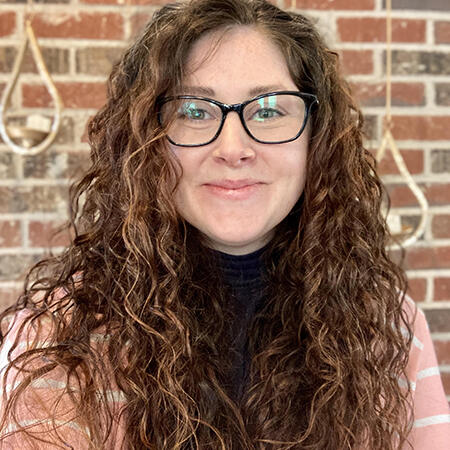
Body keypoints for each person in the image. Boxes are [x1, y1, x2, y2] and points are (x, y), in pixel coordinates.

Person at [0, 0, 449, 448]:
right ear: (144, 141)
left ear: (318, 137)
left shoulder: (388, 326)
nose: (233, 149)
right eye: (195, 111)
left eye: (268, 110)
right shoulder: (55, 342)